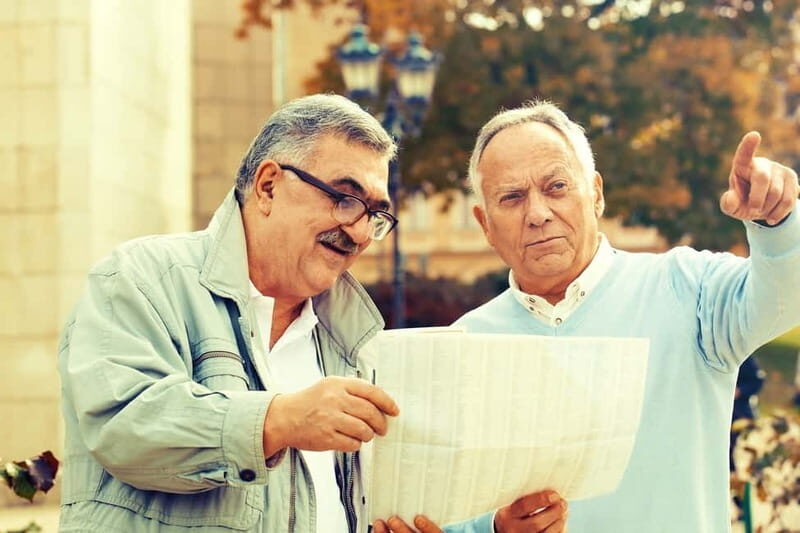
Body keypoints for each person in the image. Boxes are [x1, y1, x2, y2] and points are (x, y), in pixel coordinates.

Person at [58, 94, 565, 533]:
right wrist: (280, 419)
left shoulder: (353, 343)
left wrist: (489, 527)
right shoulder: (141, 278)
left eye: (375, 213)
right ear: (268, 186)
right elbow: (124, 427)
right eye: (345, 199)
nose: (361, 232)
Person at [453, 100, 800, 532]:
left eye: (556, 186)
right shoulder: (464, 345)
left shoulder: (689, 288)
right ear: (485, 223)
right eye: (512, 197)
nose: (538, 214)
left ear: (596, 193)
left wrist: (778, 222)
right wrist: (494, 527)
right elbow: (442, 510)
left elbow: (785, 296)